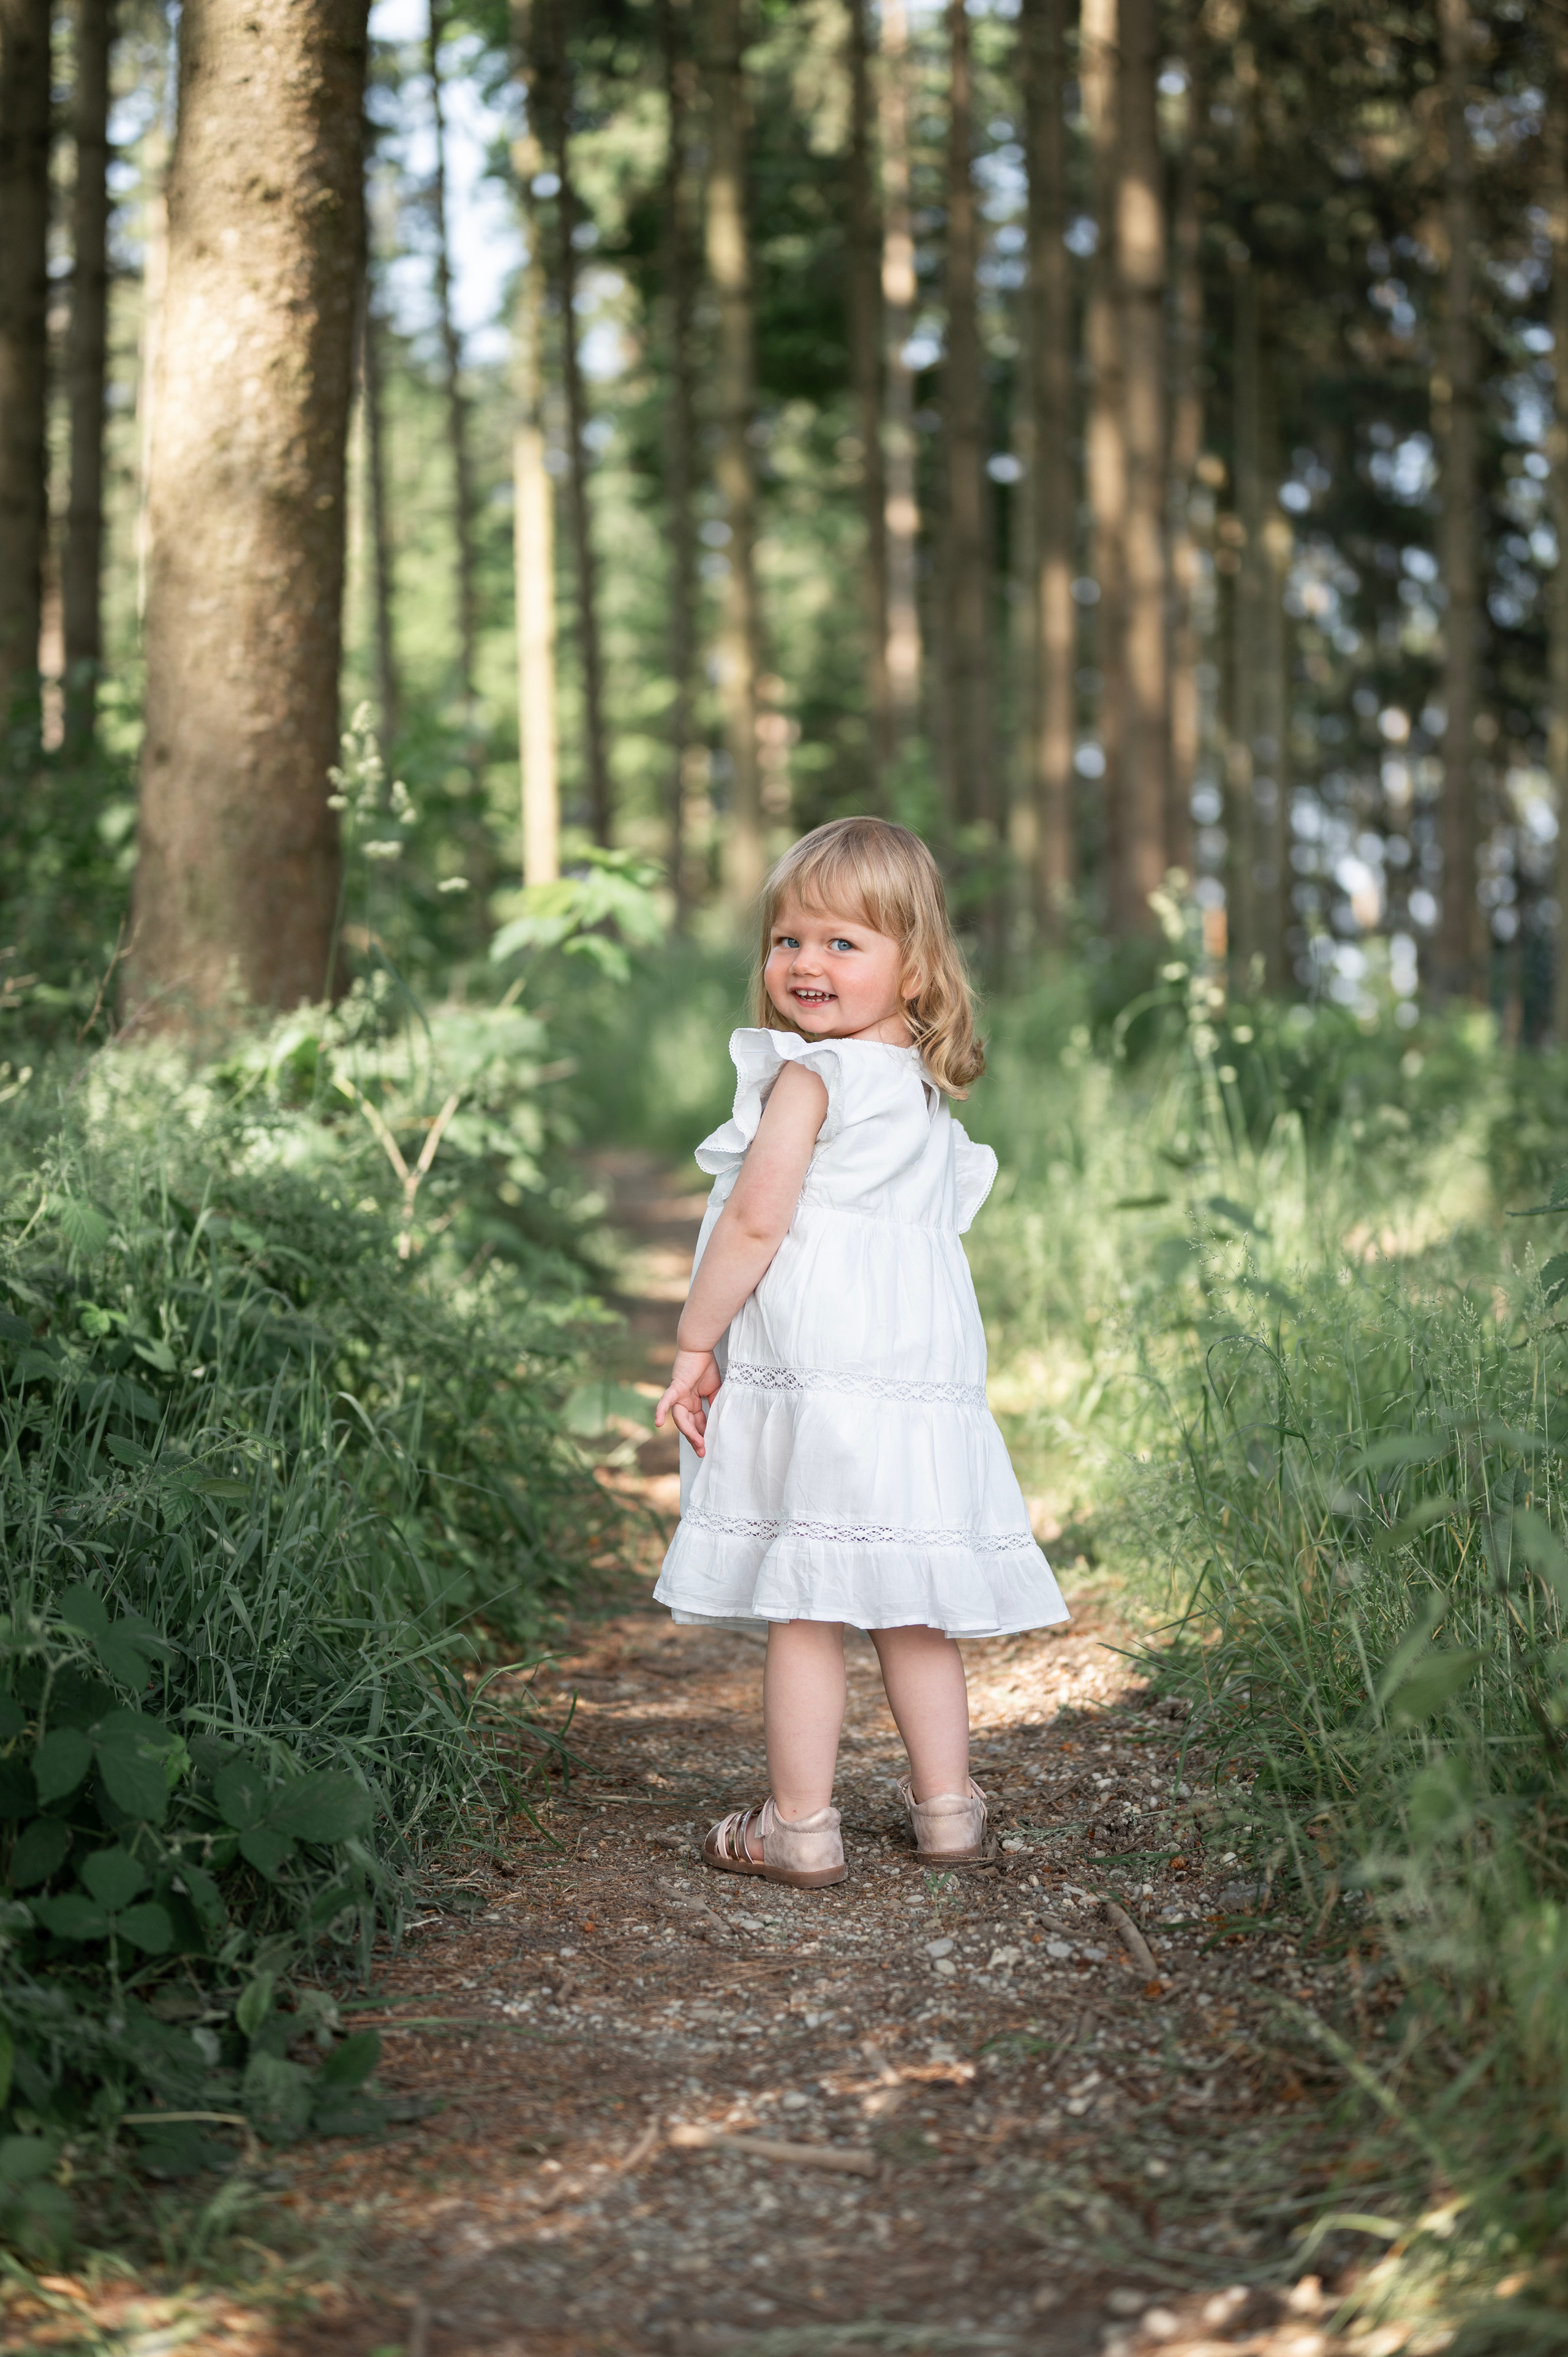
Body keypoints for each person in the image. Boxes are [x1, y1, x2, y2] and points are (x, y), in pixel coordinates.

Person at [653, 817, 1067, 1888]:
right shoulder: (920, 1092)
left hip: (825, 1374)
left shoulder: (812, 1080)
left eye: (844, 943)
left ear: (914, 967)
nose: (807, 963)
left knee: (810, 1596)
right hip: (915, 1385)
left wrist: (696, 1339)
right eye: (788, 940)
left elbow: (756, 1221)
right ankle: (948, 1812)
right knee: (910, 1593)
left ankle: (799, 1826)